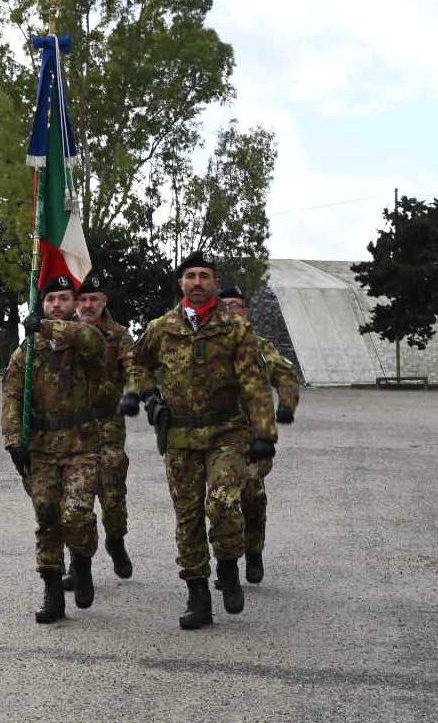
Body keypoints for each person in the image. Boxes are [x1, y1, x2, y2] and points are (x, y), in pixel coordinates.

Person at [122, 253, 277, 629]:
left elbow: (255, 384)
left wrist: (263, 435)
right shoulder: (163, 327)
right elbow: (135, 361)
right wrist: (148, 395)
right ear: (181, 284)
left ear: (214, 281)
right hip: (179, 435)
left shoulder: (235, 329)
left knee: (224, 504)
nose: (196, 282)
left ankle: (227, 565)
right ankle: (197, 594)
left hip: (226, 432)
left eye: (204, 276)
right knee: (187, 516)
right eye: (190, 276)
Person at [2, 275, 106, 624]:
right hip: (42, 448)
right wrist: (14, 439)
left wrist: (46, 327)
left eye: (64, 299)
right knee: (47, 517)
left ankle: (81, 562)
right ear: (41, 304)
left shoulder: (84, 339)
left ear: (75, 304)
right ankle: (51, 589)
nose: (57, 305)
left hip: (81, 444)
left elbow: (92, 341)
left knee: (76, 514)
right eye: (50, 300)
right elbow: (13, 396)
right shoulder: (27, 351)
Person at [217, 286, 300, 584]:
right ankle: (227, 562)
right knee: (222, 500)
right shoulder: (209, 346)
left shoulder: (260, 346)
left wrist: (287, 406)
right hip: (219, 438)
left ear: (246, 312)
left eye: (236, 306)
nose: (230, 311)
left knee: (251, 494)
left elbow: (286, 376)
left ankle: (253, 551)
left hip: (254, 438)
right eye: (224, 305)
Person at [65, 270, 135, 587]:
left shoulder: (119, 335)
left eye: (95, 299)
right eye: (84, 299)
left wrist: (133, 392)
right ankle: (78, 564)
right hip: (72, 427)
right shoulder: (64, 332)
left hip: (108, 424)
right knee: (73, 498)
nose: (89, 304)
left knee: (112, 492)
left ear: (104, 301)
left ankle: (116, 540)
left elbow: (134, 367)